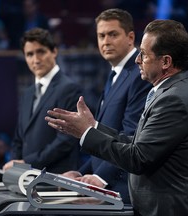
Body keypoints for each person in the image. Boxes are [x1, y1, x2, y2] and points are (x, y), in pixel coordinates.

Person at [45, 19, 188, 215]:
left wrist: (86, 133)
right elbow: (137, 144)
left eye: (143, 54)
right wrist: (95, 127)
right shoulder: (169, 92)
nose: (137, 60)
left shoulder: (174, 99)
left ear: (166, 61)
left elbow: (137, 158)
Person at [62, 8, 151, 204]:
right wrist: (81, 174)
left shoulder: (139, 76)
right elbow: (105, 139)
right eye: (101, 35)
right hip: (110, 187)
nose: (106, 41)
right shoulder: (114, 75)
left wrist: (100, 178)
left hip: (125, 190)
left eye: (113, 34)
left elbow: (132, 137)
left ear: (130, 37)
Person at [3, 27, 82, 173]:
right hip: (25, 177)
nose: (36, 60)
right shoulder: (27, 94)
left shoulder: (68, 89)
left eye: (41, 52)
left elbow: (65, 141)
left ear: (54, 51)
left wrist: (27, 162)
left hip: (56, 179)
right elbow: (19, 138)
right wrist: (15, 166)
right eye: (30, 54)